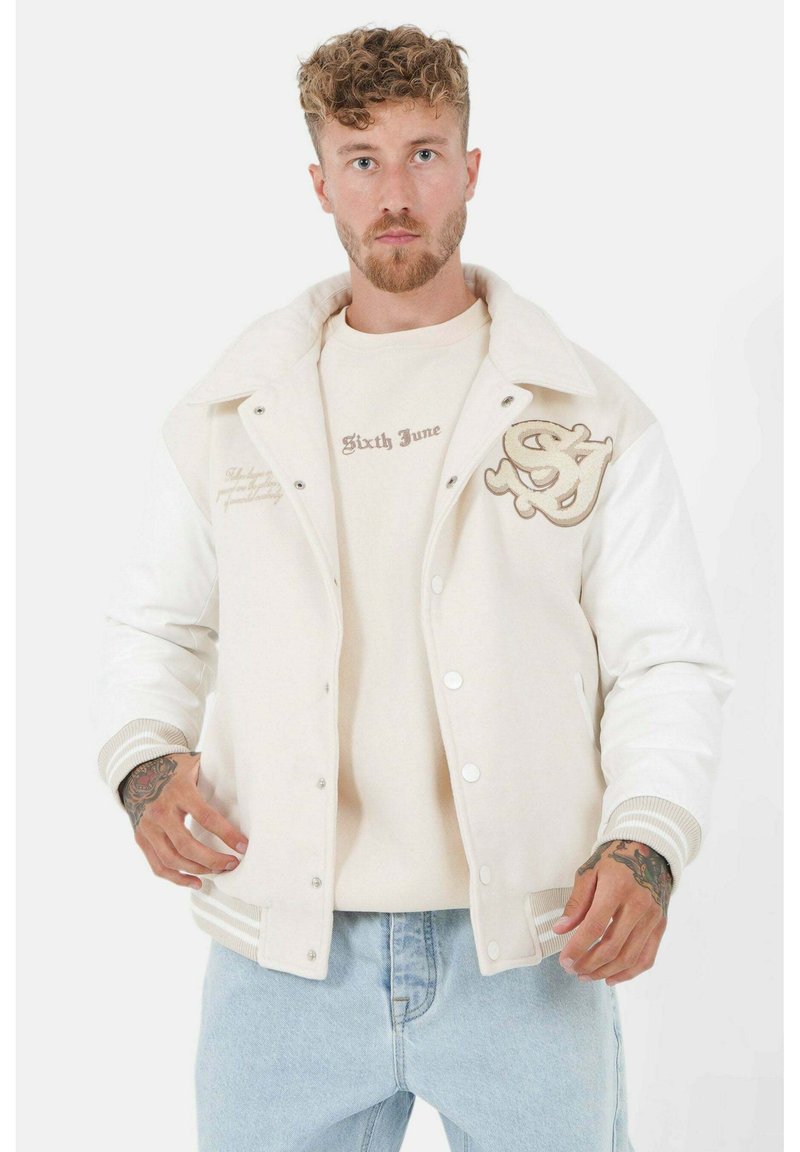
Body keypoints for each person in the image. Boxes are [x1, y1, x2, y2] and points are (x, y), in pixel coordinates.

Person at [90, 22, 735, 1151]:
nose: (394, 194)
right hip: (280, 958)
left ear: (470, 170)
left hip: (532, 946)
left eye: (424, 154)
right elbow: (158, 627)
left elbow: (664, 658)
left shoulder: (589, 412)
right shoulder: (228, 412)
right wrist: (144, 762)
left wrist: (646, 841)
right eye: (362, 159)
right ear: (320, 183)